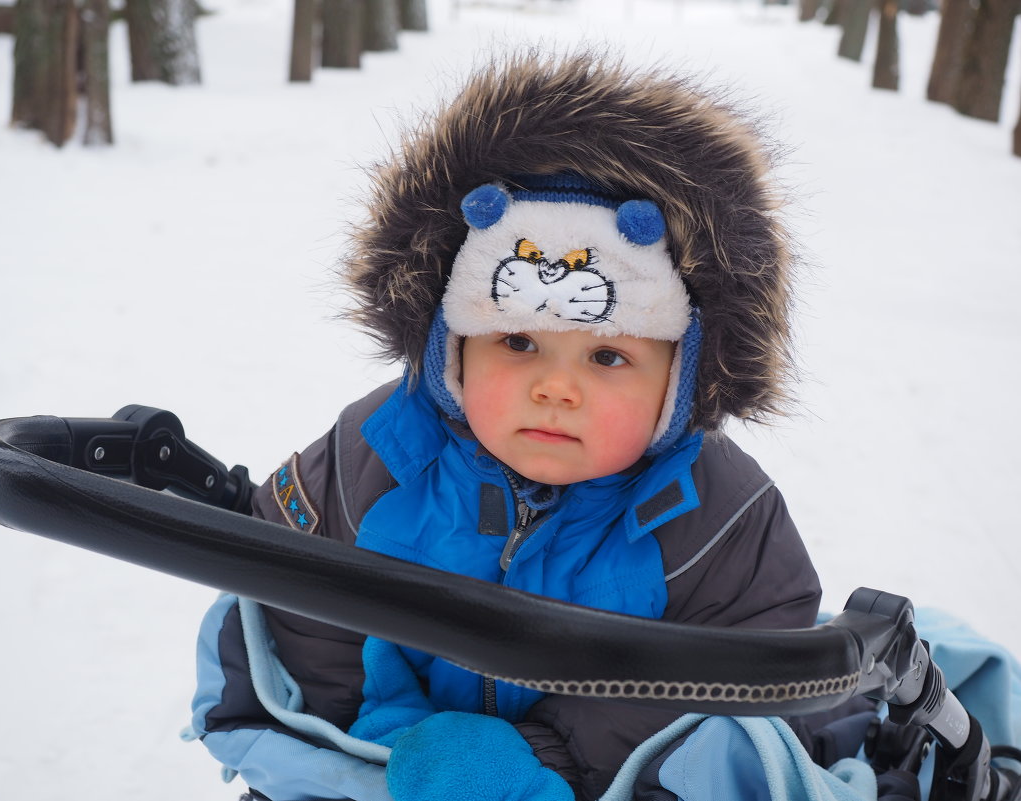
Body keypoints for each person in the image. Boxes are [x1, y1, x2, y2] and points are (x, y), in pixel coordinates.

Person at [188, 50, 824, 801]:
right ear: (450, 347)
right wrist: (381, 748)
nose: (556, 387)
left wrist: (541, 761)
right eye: (518, 342)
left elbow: (751, 694)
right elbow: (296, 613)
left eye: (609, 355)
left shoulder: (721, 520)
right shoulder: (377, 460)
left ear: (681, 385)